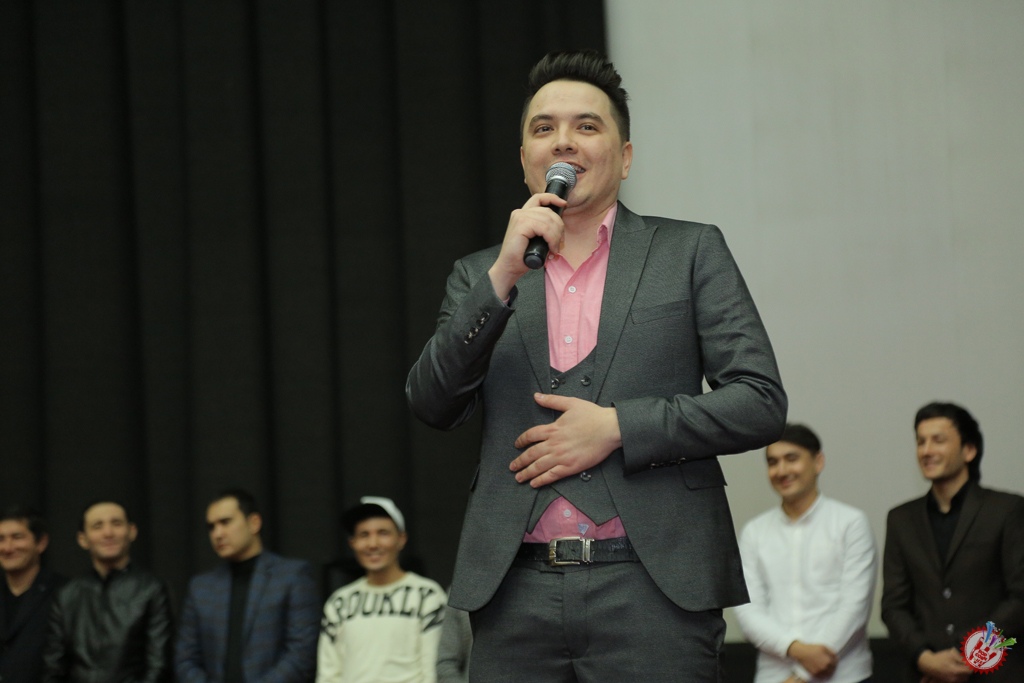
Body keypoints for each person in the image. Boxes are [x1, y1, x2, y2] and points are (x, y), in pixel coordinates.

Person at [406, 49, 786, 682]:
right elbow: (431, 402)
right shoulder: (480, 275)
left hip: (655, 587)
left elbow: (759, 400)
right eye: (544, 128)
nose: (563, 141)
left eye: (586, 125)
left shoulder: (690, 250)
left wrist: (618, 427)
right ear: (525, 157)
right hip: (514, 592)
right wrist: (502, 277)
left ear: (625, 156)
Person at [882, 402, 1024, 682]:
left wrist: (968, 653)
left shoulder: (1006, 510)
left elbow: (1020, 597)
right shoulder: (901, 519)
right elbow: (894, 606)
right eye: (920, 441)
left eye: (938, 440)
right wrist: (924, 658)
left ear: (969, 450)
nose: (926, 450)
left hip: (994, 672)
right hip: (925, 672)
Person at [734, 424, 876, 683]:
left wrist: (802, 675)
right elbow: (748, 611)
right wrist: (795, 649)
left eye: (792, 459)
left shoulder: (850, 523)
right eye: (773, 462)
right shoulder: (754, 532)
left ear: (818, 461)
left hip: (843, 675)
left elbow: (854, 606)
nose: (782, 471)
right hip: (774, 676)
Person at [175, 488, 320, 683]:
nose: (217, 534)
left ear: (254, 523)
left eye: (225, 522)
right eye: (211, 527)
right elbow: (185, 660)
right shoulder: (200, 588)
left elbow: (301, 655)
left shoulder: (292, 576)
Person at [42, 500, 173, 682]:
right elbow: (53, 668)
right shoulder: (67, 595)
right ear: (82, 539)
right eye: (97, 526)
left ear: (132, 531)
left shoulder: (151, 590)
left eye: (116, 524)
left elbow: (158, 666)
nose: (108, 533)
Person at [317, 497, 445, 683]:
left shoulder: (428, 596)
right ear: (352, 543)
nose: (373, 544)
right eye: (364, 535)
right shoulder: (338, 602)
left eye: (383, 533)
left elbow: (433, 670)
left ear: (401, 539)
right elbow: (328, 674)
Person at [0, 505, 66, 683]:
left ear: (41, 543)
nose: (7, 548)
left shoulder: (64, 593)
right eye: (1, 539)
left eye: (17, 537)